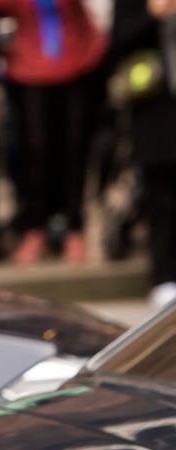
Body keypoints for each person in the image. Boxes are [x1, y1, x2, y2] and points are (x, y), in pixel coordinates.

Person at [0, 0, 107, 263]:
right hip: (29, 65)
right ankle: (34, 227)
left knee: (76, 147)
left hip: (78, 60)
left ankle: (74, 227)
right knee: (35, 148)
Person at [111, 0, 176, 307]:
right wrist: (153, 13)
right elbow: (117, 41)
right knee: (160, 197)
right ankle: (164, 276)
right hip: (156, 110)